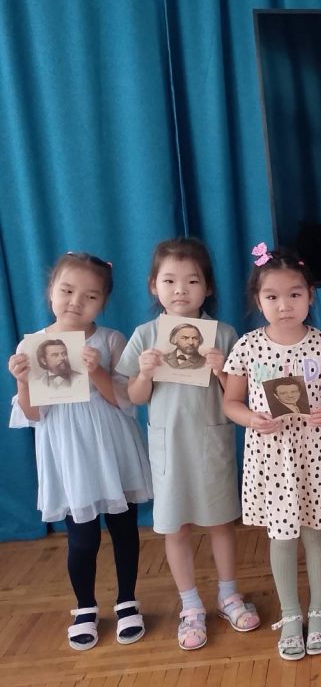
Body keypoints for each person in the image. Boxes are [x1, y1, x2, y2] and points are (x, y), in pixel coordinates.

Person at [117, 238, 259, 650]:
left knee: (221, 521)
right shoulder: (146, 336)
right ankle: (190, 604)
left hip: (211, 442)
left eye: (192, 281)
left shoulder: (223, 335)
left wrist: (221, 370)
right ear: (153, 286)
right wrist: (145, 373)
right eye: (169, 280)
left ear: (208, 287)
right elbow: (134, 397)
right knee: (175, 526)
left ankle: (228, 594)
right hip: (169, 448)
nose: (180, 289)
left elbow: (241, 394)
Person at [8, 252, 152, 651]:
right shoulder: (32, 345)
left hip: (112, 448)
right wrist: (22, 381)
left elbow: (124, 401)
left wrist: (97, 371)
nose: (76, 302)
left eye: (90, 296)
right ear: (50, 292)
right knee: (82, 537)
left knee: (124, 529)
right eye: (67, 291)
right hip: (69, 453)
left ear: (103, 302)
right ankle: (85, 606)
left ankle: (127, 600)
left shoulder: (110, 340)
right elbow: (33, 414)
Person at [223, 244, 321, 660]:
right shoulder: (247, 347)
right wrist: (252, 419)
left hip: (315, 453)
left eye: (294, 294)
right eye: (272, 296)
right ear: (258, 299)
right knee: (281, 537)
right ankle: (290, 614)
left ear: (310, 295)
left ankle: (319, 610)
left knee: (317, 533)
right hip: (271, 457)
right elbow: (230, 403)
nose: (284, 305)